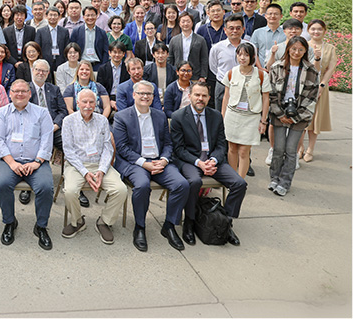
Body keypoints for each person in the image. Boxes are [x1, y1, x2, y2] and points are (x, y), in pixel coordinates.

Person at [113, 80, 189, 252]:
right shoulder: (122, 116)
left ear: (153, 97)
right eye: (141, 93)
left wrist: (164, 159)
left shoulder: (159, 115)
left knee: (181, 184)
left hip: (158, 160)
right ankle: (140, 227)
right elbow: (122, 148)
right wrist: (144, 164)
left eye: (149, 94)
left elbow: (168, 143)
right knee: (142, 185)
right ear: (134, 95)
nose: (145, 97)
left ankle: (169, 225)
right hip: (136, 163)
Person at [170, 81, 246, 246]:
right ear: (190, 96)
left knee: (239, 183)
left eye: (204, 95)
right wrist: (200, 163)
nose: (200, 98)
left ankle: (224, 222)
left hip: (213, 159)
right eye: (197, 95)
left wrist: (213, 160)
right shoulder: (178, 117)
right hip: (190, 159)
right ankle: (189, 222)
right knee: (194, 182)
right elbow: (179, 149)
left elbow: (221, 145)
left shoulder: (216, 116)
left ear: (209, 98)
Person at [0, 80, 55, 250]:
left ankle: (41, 226)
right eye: (16, 91)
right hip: (9, 160)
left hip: (36, 162)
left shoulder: (41, 113)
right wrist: (12, 163)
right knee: (2, 184)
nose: (19, 94)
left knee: (45, 187)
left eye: (23, 91)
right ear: (10, 93)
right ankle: (10, 222)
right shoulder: (1, 113)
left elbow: (47, 140)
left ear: (29, 93)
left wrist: (37, 162)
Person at [61, 89, 128, 243]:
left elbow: (108, 148)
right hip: (77, 165)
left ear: (96, 103)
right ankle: (77, 221)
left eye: (92, 102)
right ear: (77, 104)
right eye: (84, 101)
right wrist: (85, 173)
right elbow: (69, 152)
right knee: (70, 191)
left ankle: (104, 222)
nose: (88, 105)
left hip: (100, 164)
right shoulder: (68, 121)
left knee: (120, 190)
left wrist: (102, 171)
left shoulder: (102, 120)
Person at [267, 37, 319, 196]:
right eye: (294, 49)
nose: (296, 52)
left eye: (300, 49)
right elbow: (271, 94)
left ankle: (285, 182)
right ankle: (274, 178)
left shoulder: (311, 71)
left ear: (305, 51)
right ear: (288, 49)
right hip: (278, 113)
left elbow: (312, 97)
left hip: (300, 116)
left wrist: (295, 117)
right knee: (278, 149)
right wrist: (281, 114)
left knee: (291, 150)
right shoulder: (276, 67)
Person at [221, 43, 270, 178]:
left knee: (244, 151)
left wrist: (263, 120)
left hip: (251, 117)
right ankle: (231, 179)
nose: (242, 58)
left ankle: (240, 181)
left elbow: (266, 99)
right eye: (240, 54)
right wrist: (223, 117)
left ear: (252, 57)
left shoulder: (261, 75)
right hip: (233, 115)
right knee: (232, 149)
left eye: (246, 55)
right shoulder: (231, 72)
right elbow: (226, 97)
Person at [303, 19, 337, 162]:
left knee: (315, 119)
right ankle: (299, 148)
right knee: (301, 117)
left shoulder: (330, 48)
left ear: (324, 31)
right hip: (304, 84)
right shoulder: (304, 45)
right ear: (308, 30)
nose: (316, 32)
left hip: (321, 85)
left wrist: (322, 85)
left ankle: (310, 149)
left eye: (319, 29)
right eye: (313, 29)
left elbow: (331, 67)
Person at [209, 13, 256, 111]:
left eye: (238, 28)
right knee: (221, 114)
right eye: (231, 28)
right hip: (223, 85)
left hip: (245, 85)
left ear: (243, 30)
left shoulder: (251, 46)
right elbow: (213, 67)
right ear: (225, 30)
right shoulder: (217, 48)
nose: (235, 31)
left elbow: (252, 64)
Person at [28, 60, 67, 154]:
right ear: (33, 70)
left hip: (53, 129)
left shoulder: (54, 89)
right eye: (38, 70)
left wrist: (56, 126)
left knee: (68, 145)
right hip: (32, 129)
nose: (41, 73)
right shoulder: (25, 89)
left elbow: (63, 111)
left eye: (44, 71)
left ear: (48, 73)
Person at [167, 12, 208, 81]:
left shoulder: (200, 40)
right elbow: (170, 58)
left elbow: (204, 59)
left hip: (195, 76)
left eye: (188, 21)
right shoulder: (174, 40)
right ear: (179, 24)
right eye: (183, 22)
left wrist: (203, 76)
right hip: (178, 76)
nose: (185, 24)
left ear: (192, 23)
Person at [97, 42, 130, 111]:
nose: (117, 55)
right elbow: (100, 89)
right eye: (114, 52)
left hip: (123, 98)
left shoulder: (127, 69)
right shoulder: (102, 69)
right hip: (106, 97)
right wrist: (109, 101)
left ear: (124, 54)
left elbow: (128, 88)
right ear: (109, 53)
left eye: (120, 52)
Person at [36, 7, 70, 73]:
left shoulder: (64, 31)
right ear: (46, 16)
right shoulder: (40, 31)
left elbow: (67, 48)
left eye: (55, 15)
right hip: (45, 62)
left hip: (61, 62)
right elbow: (38, 48)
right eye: (50, 15)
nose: (53, 17)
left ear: (58, 16)